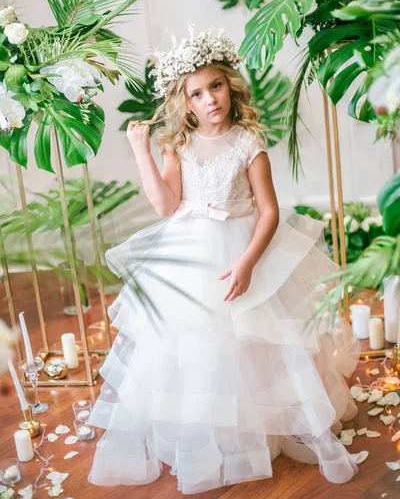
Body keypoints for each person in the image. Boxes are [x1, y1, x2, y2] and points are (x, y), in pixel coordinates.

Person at [87, 27, 360, 494]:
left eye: (216, 86)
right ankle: (210, 433)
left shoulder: (248, 144)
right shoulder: (179, 146)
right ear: (185, 101)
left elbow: (269, 211)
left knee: (255, 341)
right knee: (195, 347)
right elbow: (166, 207)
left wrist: (248, 263)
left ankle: (266, 425)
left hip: (241, 246)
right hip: (188, 254)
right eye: (197, 92)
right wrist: (141, 153)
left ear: (230, 87)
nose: (210, 99)